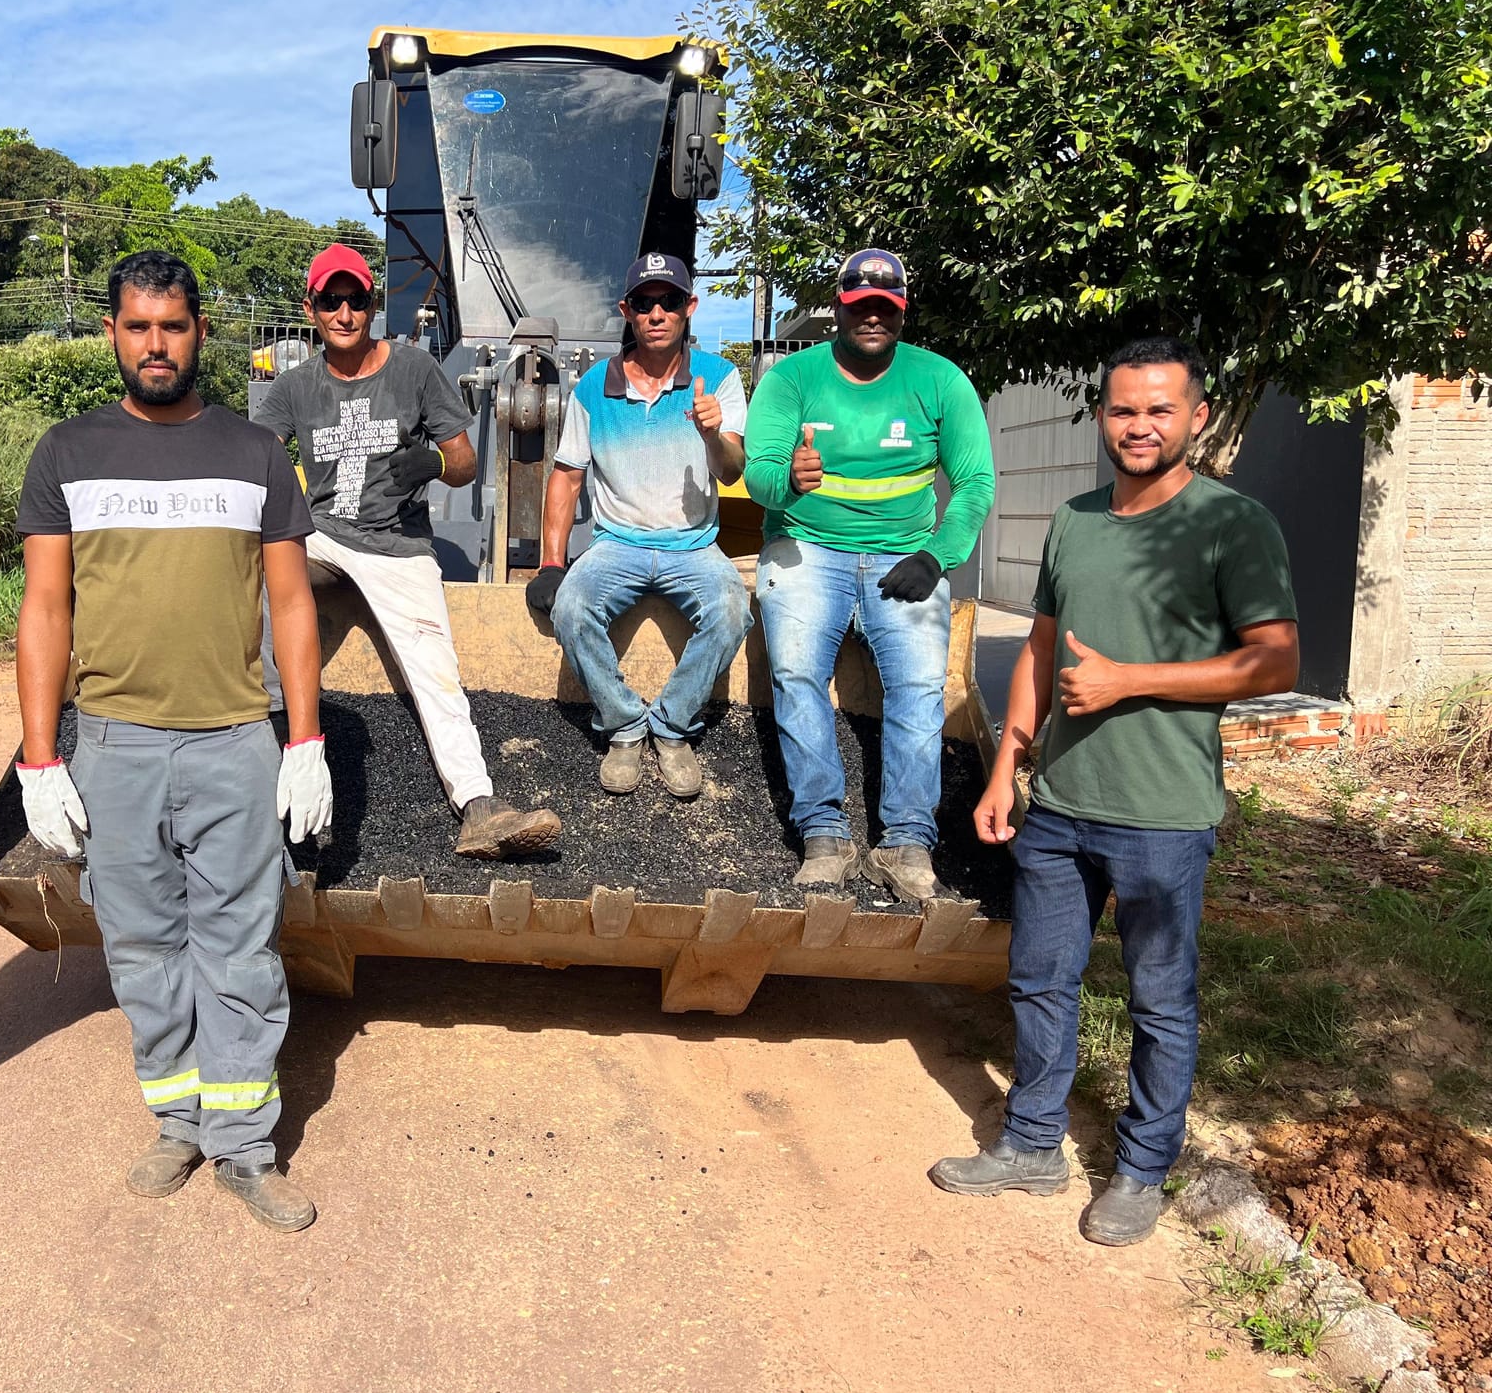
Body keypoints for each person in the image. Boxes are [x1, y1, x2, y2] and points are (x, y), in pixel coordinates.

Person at [931, 336, 1298, 1246]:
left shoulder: (1231, 524)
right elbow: (1042, 652)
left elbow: (1276, 658)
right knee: (1040, 980)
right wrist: (1009, 764)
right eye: (1123, 409)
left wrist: (1134, 680)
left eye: (1159, 409)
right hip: (1058, 802)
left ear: (1197, 417)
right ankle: (1030, 1144)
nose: (1139, 426)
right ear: (1102, 415)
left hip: (1163, 814)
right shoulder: (1075, 519)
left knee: (1159, 1000)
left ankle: (1140, 1170)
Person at [14, 250, 329, 1234]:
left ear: (201, 333)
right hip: (114, 746)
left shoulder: (253, 454)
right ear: (111, 332)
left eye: (175, 326)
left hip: (234, 739)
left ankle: (243, 1146)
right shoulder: (65, 454)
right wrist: (38, 759)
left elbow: (289, 604)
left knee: (239, 949)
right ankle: (178, 1121)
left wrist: (304, 741)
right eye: (138, 326)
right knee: (144, 947)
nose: (157, 344)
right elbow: (45, 609)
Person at [256, 243, 561, 858]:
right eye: (330, 300)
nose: (344, 312)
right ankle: (255, 772)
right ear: (312, 308)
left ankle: (478, 806)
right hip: (324, 539)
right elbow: (252, 461)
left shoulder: (416, 371)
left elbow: (468, 464)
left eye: (356, 299)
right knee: (262, 608)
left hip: (399, 548)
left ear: (371, 304)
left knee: (435, 672)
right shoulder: (293, 387)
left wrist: (436, 460)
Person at [743, 248, 996, 899]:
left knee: (917, 685)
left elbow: (974, 483)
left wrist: (937, 556)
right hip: (805, 548)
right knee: (797, 674)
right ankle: (823, 832)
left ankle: (907, 844)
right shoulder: (792, 378)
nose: (873, 318)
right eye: (860, 307)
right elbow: (759, 473)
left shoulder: (940, 381)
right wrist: (789, 484)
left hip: (906, 557)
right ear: (840, 308)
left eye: (886, 308)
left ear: (902, 310)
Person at [526, 252, 752, 798]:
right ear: (627, 311)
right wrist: (552, 563)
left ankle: (673, 728)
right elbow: (566, 478)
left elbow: (731, 470)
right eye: (645, 303)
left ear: (689, 308)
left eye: (669, 301)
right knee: (573, 608)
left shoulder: (719, 379)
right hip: (615, 544)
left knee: (731, 609)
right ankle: (625, 727)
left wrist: (712, 434)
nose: (657, 313)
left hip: (694, 546)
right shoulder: (590, 391)